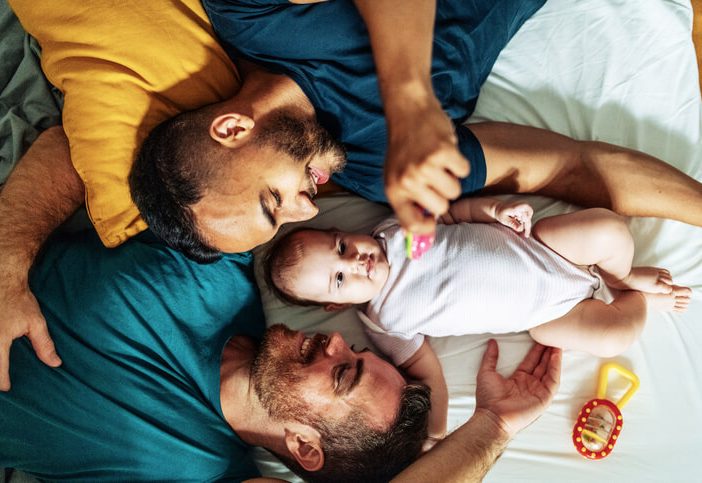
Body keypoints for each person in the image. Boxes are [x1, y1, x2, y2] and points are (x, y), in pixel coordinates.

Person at [4, 0, 702, 389]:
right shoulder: (375, 170)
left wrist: (408, 101)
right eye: (291, 216)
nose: (311, 204)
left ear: (232, 126)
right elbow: (571, 165)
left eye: (274, 201)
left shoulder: (257, 16)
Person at [0, 224, 561, 481]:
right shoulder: (221, 269)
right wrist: (8, 260)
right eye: (357, 351)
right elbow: (66, 151)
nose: (336, 339)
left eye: (342, 373)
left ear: (302, 447)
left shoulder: (195, 470)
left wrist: (493, 425)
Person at [264, 198, 691, 444]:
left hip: (547, 251)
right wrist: (435, 436)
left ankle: (624, 277)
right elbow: (427, 373)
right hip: (549, 314)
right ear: (336, 307)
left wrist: (494, 209)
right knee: (614, 337)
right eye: (340, 280)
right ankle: (639, 302)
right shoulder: (385, 323)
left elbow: (452, 215)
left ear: (342, 230)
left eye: (340, 246)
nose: (355, 263)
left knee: (609, 229)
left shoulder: (394, 234)